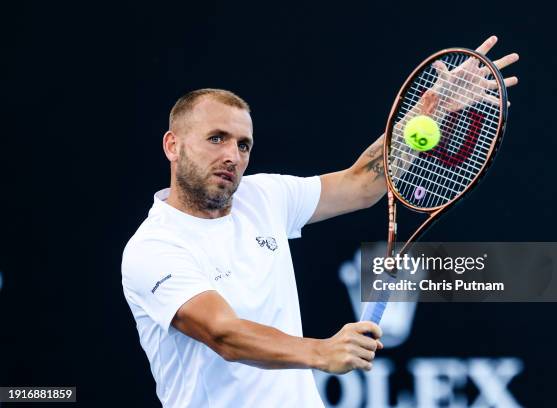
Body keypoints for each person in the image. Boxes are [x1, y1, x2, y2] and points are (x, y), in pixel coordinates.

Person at [121, 36, 518, 407]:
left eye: (243, 145)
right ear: (172, 145)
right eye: (217, 138)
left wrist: (430, 109)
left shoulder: (264, 196)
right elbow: (224, 333)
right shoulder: (154, 248)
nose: (233, 155)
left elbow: (361, 183)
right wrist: (321, 351)